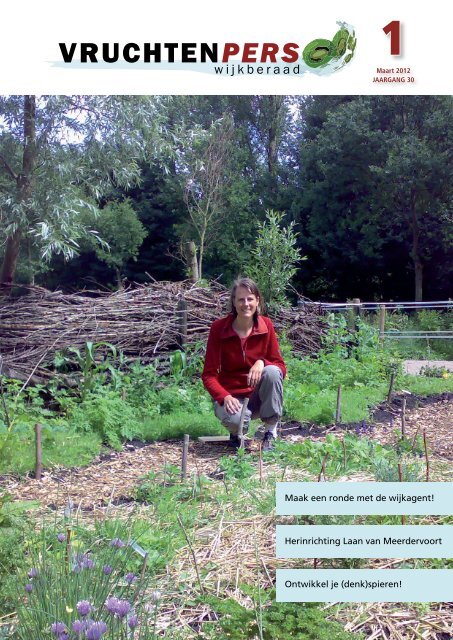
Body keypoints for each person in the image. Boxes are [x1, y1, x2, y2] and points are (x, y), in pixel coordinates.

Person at [202, 277, 286, 450]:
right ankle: (236, 432)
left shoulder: (266, 326)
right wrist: (224, 397)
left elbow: (281, 367)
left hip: (257, 396)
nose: (245, 304)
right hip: (232, 397)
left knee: (272, 371)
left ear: (257, 301)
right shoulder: (219, 329)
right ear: (233, 302)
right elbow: (208, 374)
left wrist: (262, 362)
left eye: (250, 299)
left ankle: (270, 433)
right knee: (235, 422)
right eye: (241, 299)